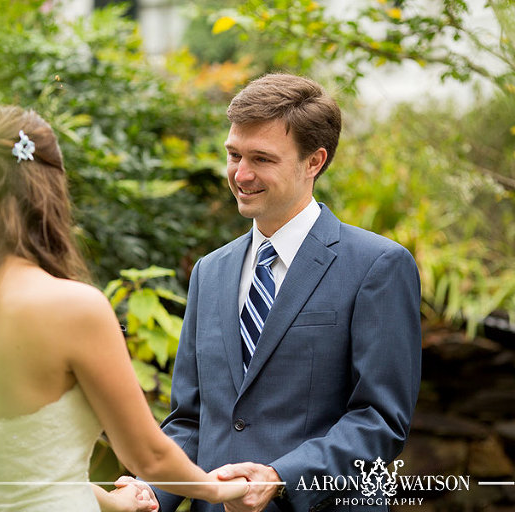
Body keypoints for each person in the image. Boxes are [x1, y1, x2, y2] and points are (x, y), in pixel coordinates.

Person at [0, 105, 251, 512]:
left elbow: (6, 467)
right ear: (49, 189)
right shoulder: (74, 308)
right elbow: (147, 454)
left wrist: (116, 504)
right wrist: (222, 490)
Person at [150, 73, 422, 512]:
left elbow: (379, 420)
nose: (241, 174)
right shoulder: (209, 271)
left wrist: (279, 477)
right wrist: (148, 492)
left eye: (261, 158)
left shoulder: (378, 265)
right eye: (234, 155)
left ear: (314, 161)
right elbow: (189, 419)